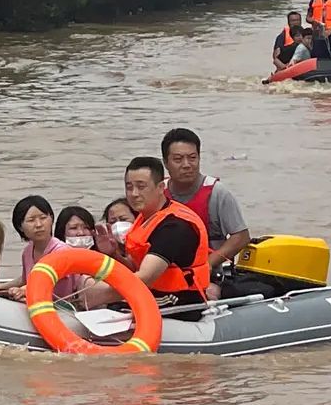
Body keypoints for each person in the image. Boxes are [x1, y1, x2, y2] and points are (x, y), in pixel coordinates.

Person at [87, 156, 212, 319]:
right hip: (152, 295)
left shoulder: (174, 227)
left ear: (161, 187)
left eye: (141, 187)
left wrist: (100, 295)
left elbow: (145, 276)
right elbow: (136, 267)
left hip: (179, 303)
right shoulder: (144, 218)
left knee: (110, 305)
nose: (134, 194)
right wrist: (114, 254)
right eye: (129, 187)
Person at [159, 128, 252, 299]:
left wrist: (208, 264)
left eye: (192, 158)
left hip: (207, 278)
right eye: (178, 159)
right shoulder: (158, 193)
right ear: (166, 163)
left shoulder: (217, 193)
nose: (186, 164)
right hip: (162, 275)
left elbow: (241, 236)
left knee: (209, 293)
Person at [0, 195, 78, 301]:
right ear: (20, 227)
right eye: (31, 220)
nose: (39, 224)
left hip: (63, 309)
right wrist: (1, 287)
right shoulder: (27, 251)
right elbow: (25, 279)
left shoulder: (62, 251)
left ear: (51, 219)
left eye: (43, 218)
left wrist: (23, 290)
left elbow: (46, 281)